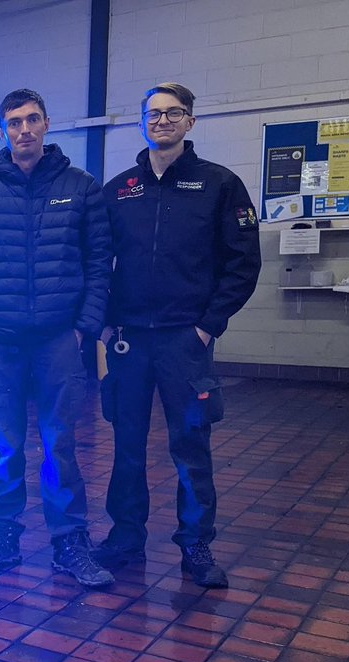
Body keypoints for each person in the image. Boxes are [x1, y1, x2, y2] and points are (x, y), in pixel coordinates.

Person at [94, 83, 260, 588]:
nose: (161, 121)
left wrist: (208, 327)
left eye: (173, 113)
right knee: (126, 445)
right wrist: (102, 321)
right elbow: (96, 261)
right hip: (128, 342)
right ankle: (124, 536)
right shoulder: (119, 190)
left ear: (190, 122)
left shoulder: (219, 185)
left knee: (191, 446)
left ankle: (196, 546)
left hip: (185, 343)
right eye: (152, 113)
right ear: (142, 122)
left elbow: (242, 263)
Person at [0, 89, 114, 587]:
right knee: (4, 446)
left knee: (60, 443)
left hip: (57, 340)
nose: (24, 130)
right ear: (4, 130)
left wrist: (85, 328)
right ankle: (3, 538)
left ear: (47, 124)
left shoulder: (80, 186)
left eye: (32, 120)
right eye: (14, 122)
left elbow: (98, 263)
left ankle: (69, 543)